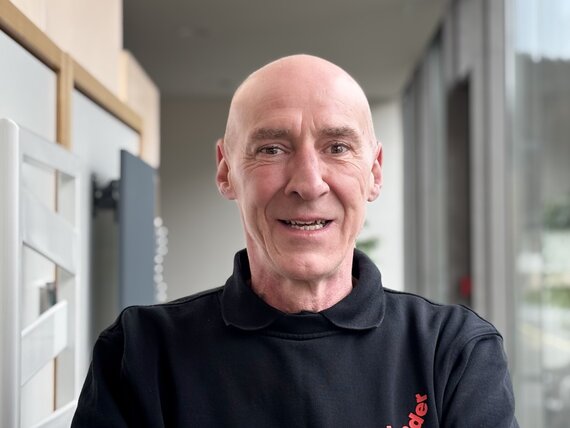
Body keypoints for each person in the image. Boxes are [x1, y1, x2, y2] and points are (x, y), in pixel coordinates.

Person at [72, 54, 518, 427]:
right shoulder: (140, 353)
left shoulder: (453, 354)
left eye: (337, 147)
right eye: (272, 149)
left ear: (374, 172)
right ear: (226, 171)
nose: (308, 183)